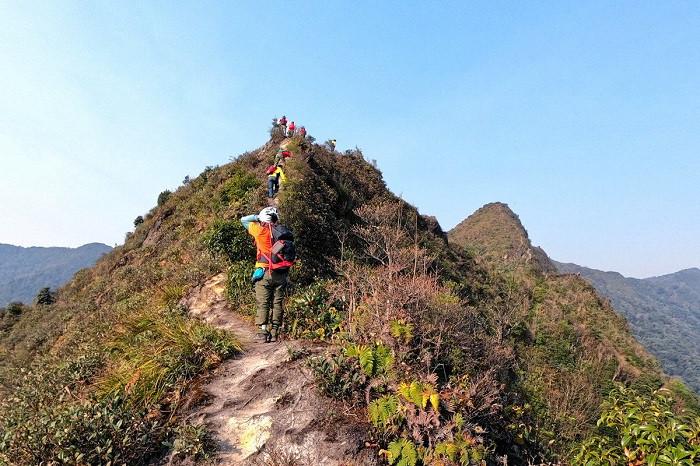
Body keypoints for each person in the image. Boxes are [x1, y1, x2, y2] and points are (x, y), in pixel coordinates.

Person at [240, 207, 290, 342]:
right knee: (278, 302)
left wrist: (257, 217)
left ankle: (263, 333)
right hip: (281, 272)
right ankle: (275, 332)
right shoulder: (282, 232)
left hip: (264, 273)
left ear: (262, 219)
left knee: (263, 302)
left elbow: (243, 220)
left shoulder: (259, 231)